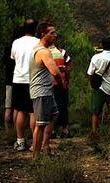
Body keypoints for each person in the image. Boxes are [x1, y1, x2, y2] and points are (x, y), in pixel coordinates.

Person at [29, 22, 62, 159]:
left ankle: (45, 146)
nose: (55, 35)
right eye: (52, 33)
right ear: (43, 34)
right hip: (42, 92)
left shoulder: (38, 49)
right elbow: (54, 72)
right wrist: (61, 79)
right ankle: (36, 156)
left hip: (45, 91)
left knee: (54, 115)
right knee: (41, 124)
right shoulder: (43, 51)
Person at [11, 19, 39, 151]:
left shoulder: (16, 42)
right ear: (35, 29)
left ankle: (20, 141)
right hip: (33, 80)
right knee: (33, 112)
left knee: (21, 111)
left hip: (18, 79)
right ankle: (34, 143)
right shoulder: (38, 43)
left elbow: (13, 58)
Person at [49, 43, 73, 138]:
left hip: (57, 84)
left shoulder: (62, 52)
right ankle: (60, 130)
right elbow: (69, 66)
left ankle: (59, 130)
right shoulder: (61, 52)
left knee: (59, 106)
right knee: (61, 106)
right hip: (57, 84)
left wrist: (65, 70)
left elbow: (69, 65)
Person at [3, 26, 22, 132]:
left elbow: (5, 63)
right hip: (18, 80)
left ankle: (7, 129)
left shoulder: (7, 48)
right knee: (18, 108)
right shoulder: (19, 48)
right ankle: (16, 129)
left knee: (8, 106)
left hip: (8, 80)